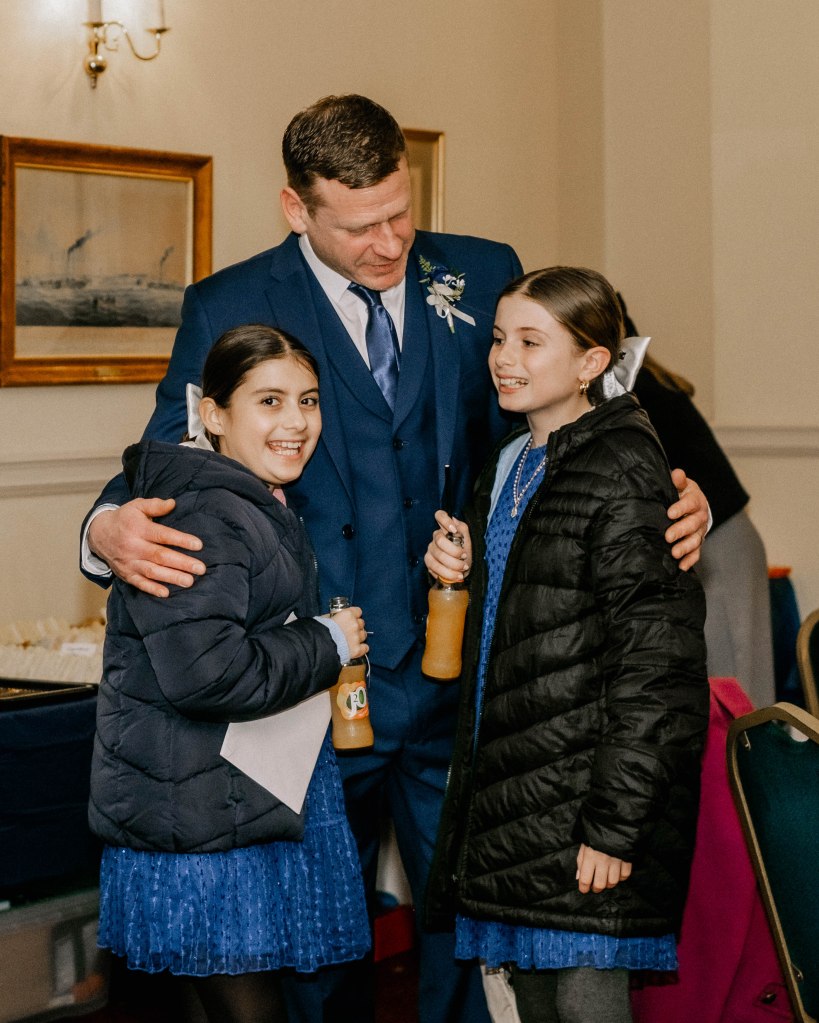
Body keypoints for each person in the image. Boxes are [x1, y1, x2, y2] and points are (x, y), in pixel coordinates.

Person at [79, 96, 710, 1023]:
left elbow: (581, 395)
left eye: (399, 214)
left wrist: (674, 489)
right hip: (310, 687)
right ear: (296, 209)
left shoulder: (480, 271)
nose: (389, 244)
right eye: (359, 226)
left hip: (462, 683)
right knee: (318, 942)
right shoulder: (230, 301)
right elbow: (165, 452)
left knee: (472, 931)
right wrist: (103, 529)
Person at [424, 267, 710, 1023]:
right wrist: (463, 565)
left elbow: (657, 669)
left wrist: (616, 827)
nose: (503, 358)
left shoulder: (621, 467)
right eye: (497, 338)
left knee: (584, 1001)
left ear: (591, 362)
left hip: (586, 799)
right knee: (535, 1005)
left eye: (530, 341)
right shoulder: (510, 460)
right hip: (520, 794)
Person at [89, 325, 371, 1023]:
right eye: (269, 401)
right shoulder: (206, 514)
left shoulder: (246, 497)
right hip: (203, 814)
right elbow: (208, 675)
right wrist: (328, 641)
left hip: (221, 798)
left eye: (308, 400)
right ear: (212, 415)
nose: (296, 421)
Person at [617, 295, 775, 708]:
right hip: (730, 535)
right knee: (739, 678)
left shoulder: (632, 392)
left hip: (718, 540)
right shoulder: (653, 380)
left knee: (733, 688)